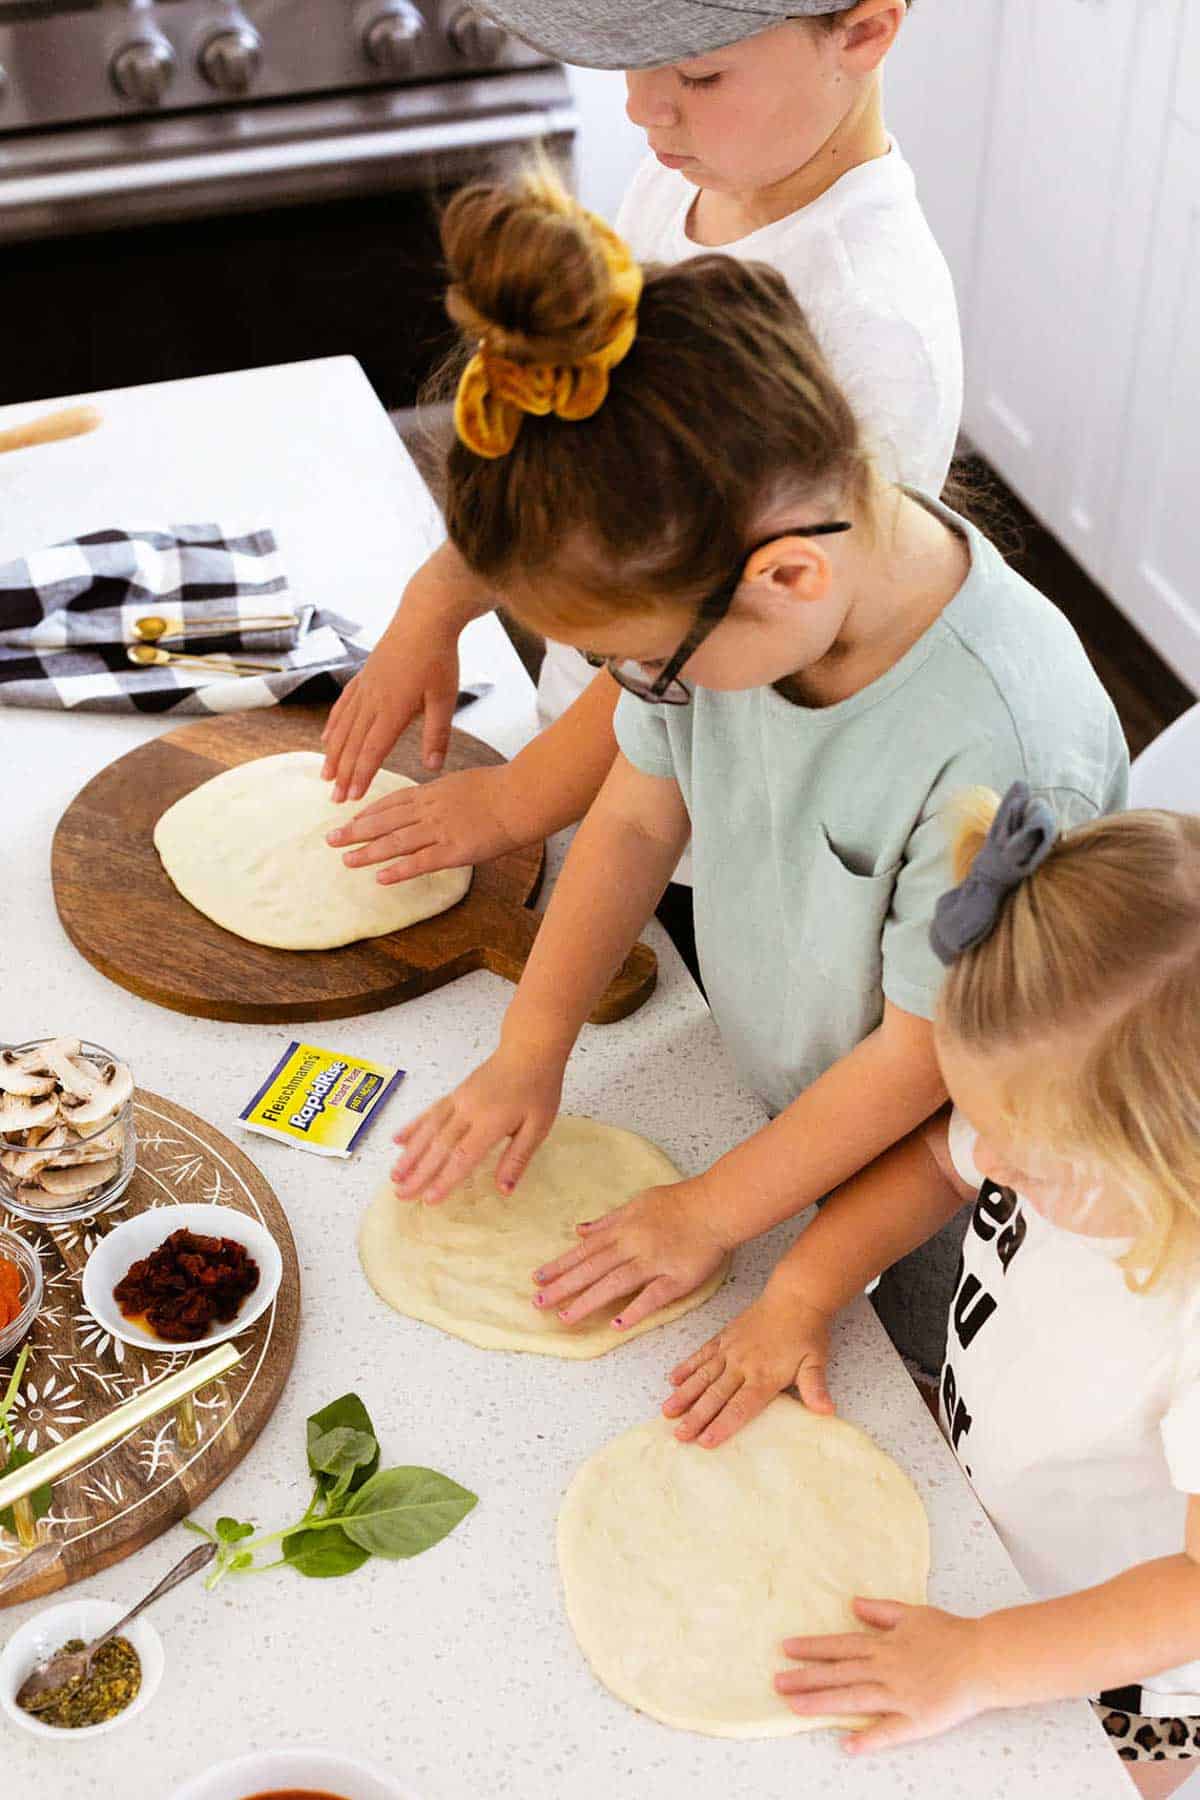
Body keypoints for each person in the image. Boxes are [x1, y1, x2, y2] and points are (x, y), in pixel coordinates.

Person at [385, 168, 1127, 1367]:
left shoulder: (1007, 749)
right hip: (769, 1102)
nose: (636, 686)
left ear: (786, 579)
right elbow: (635, 813)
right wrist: (532, 1048)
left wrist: (712, 1212)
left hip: (937, 1182)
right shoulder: (750, 611)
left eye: (639, 661)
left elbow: (925, 1054)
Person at [321, 0, 959, 882]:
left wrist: (521, 800)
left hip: (696, 847)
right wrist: (438, 602)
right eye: (635, 59)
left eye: (698, 74)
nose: (642, 107)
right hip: (578, 764)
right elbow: (572, 425)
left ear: (861, 34)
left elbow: (699, 650)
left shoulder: (867, 326)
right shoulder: (687, 178)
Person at [663, 787, 1200, 1793]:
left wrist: (984, 1659)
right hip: (990, 1541)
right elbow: (936, 1166)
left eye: (1026, 1160)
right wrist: (802, 1289)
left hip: (1138, 1675)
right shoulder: (1071, 1142)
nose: (986, 1155)